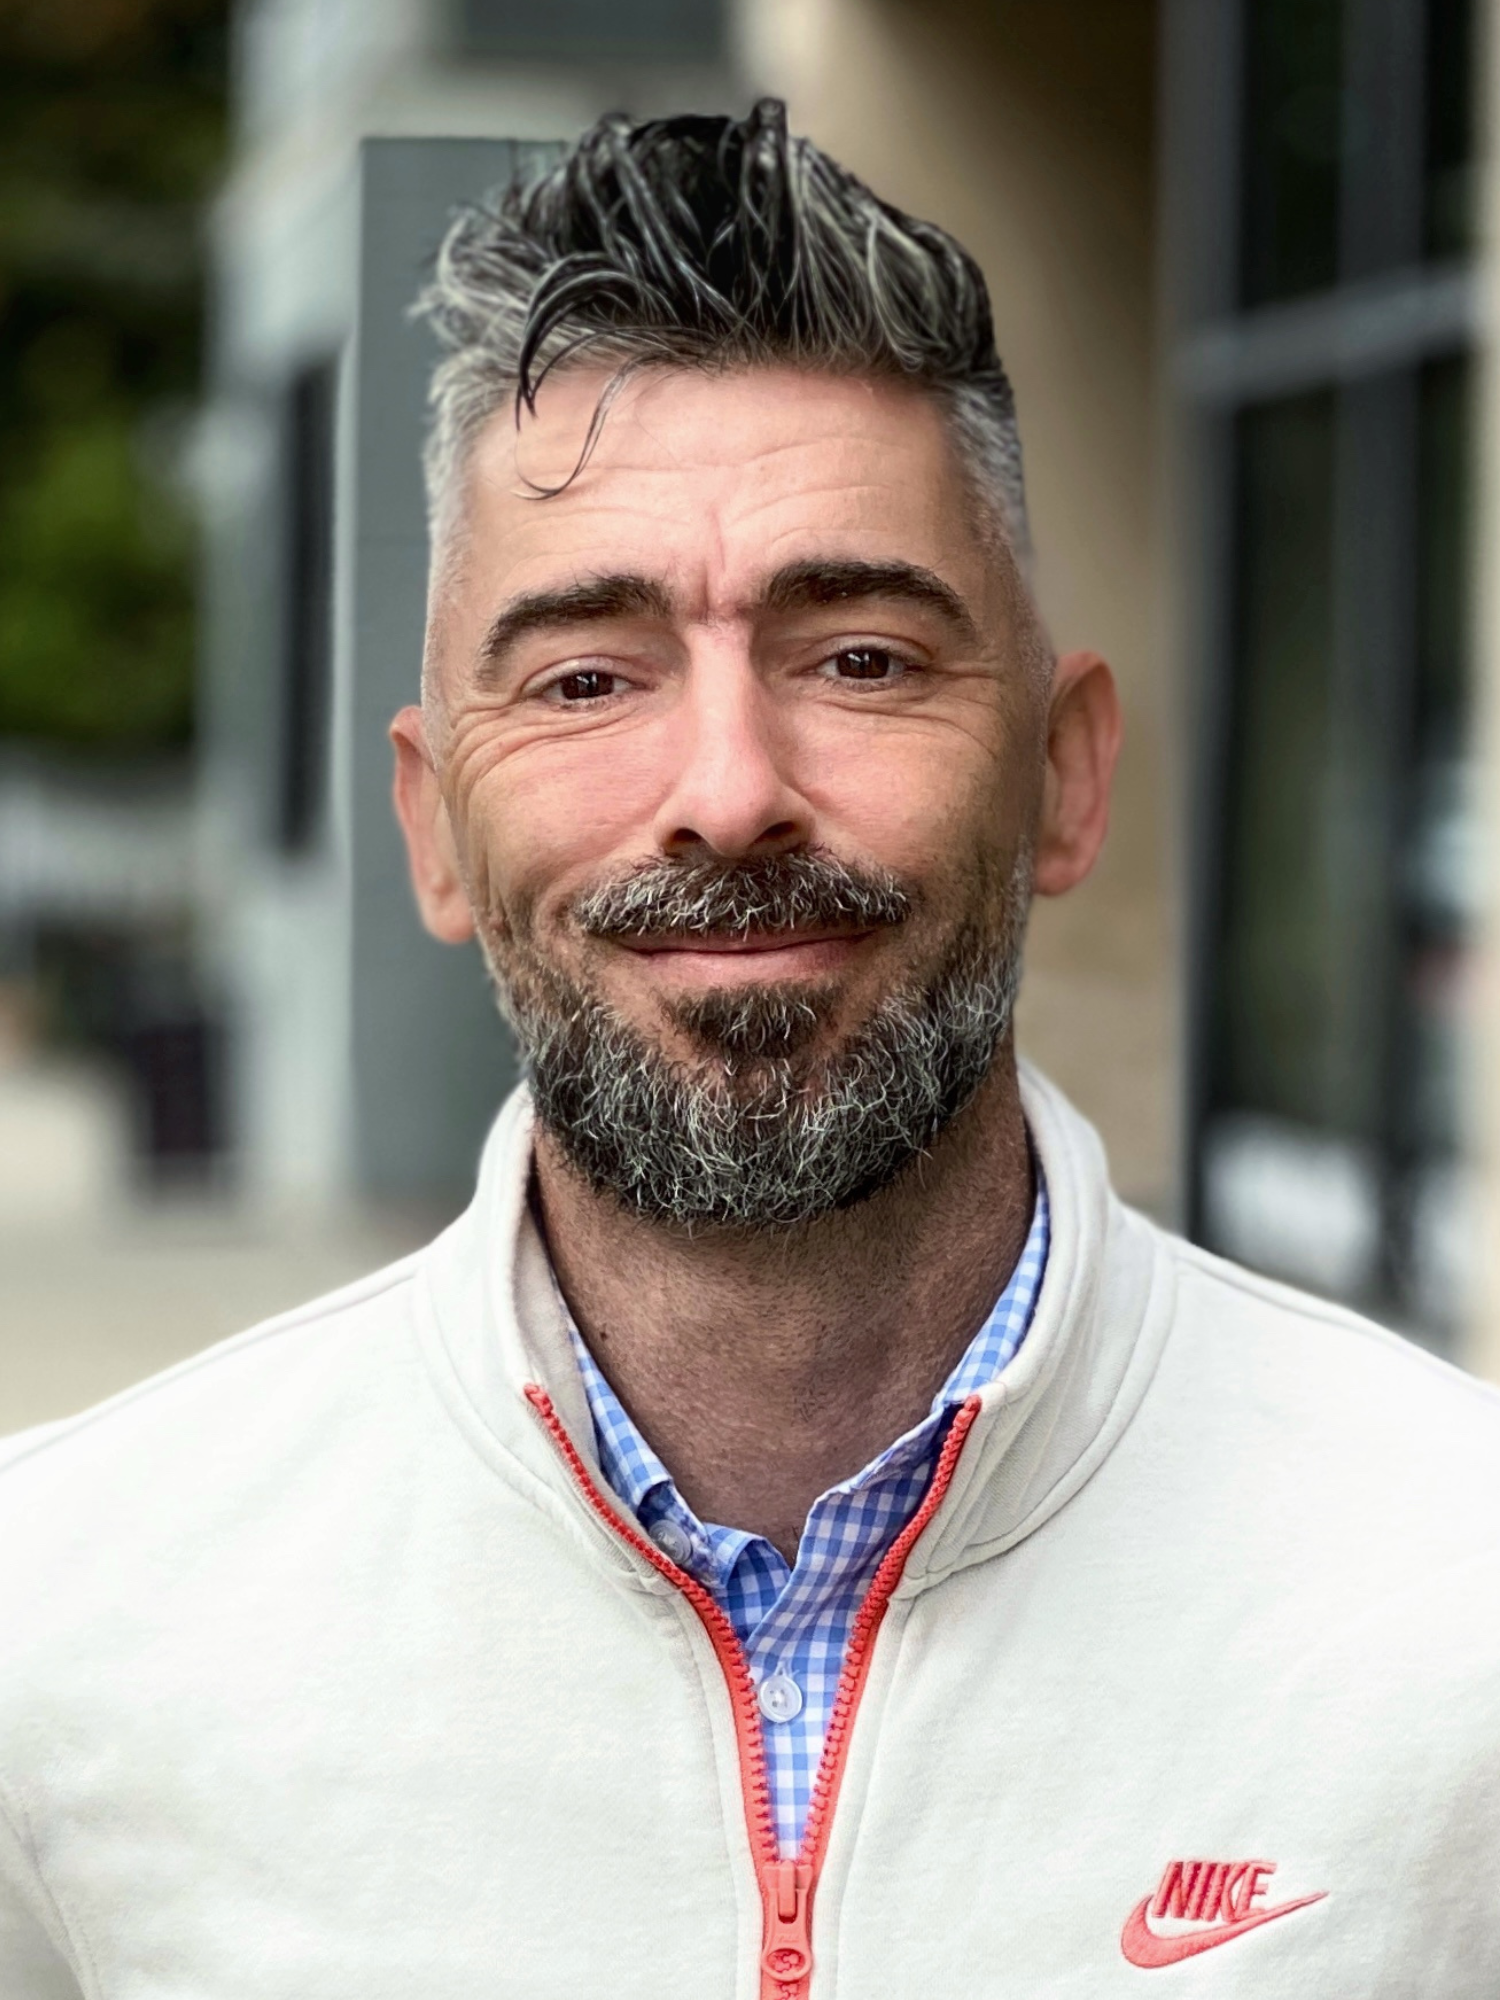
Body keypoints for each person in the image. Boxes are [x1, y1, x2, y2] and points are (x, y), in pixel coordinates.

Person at [2, 102, 1499, 2000]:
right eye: (586, 678)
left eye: (861, 656)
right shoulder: (66, 1630)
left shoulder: (1456, 1607)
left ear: (1063, 773)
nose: (727, 792)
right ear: (435, 831)